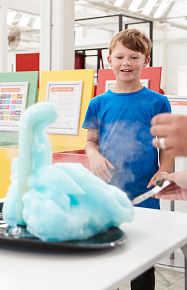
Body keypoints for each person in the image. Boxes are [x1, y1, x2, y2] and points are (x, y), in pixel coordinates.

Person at [82, 28, 173, 290]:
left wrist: (164, 170)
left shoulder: (158, 102)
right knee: (106, 254)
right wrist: (94, 155)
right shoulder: (98, 103)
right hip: (107, 192)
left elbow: (165, 144)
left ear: (146, 61)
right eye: (120, 57)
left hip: (144, 193)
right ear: (109, 60)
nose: (126, 63)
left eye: (134, 57)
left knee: (143, 259)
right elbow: (90, 142)